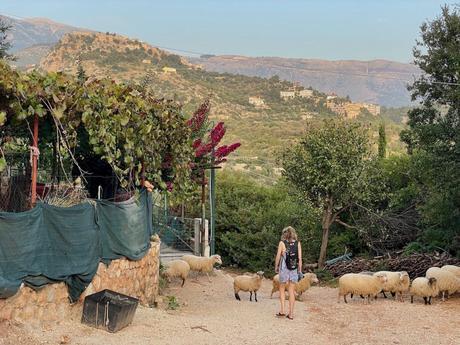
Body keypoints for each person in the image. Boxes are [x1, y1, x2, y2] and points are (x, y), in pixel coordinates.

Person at [274, 226, 302, 320]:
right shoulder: (298, 243)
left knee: (282, 289)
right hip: (293, 269)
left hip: (284, 269)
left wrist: (276, 267)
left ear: (284, 234)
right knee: (291, 291)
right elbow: (300, 259)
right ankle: (291, 314)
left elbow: (278, 256)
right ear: (293, 233)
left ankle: (282, 311)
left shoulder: (282, 243)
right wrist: (299, 271)